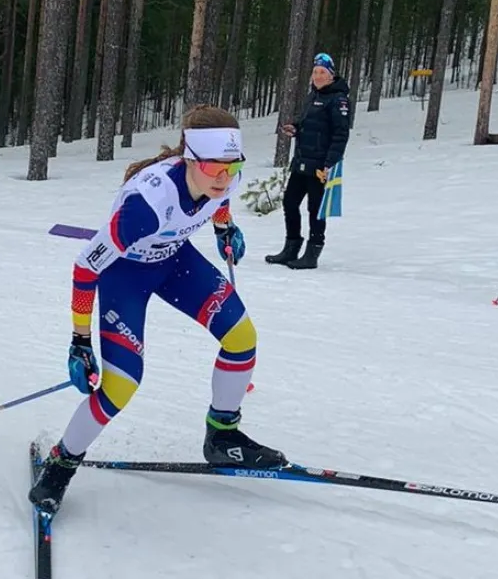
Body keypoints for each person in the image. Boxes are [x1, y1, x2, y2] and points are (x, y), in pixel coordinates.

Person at [29, 105, 286, 516]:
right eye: (214, 167)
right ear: (189, 159)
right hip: (124, 275)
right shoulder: (146, 204)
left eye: (232, 166)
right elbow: (86, 264)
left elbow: (218, 198)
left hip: (173, 262)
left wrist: (225, 227)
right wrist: (79, 341)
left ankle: (222, 436)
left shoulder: (223, 177)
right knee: (122, 385)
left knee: (242, 338)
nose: (225, 176)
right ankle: (61, 465)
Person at [265, 52, 351, 270]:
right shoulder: (311, 97)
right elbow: (307, 124)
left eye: (322, 72)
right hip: (301, 161)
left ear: (331, 75)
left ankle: (312, 253)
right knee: (290, 203)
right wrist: (295, 127)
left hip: (321, 166)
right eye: (315, 72)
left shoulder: (339, 100)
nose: (318, 76)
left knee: (316, 209)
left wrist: (330, 163)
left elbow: (340, 135)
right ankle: (291, 248)